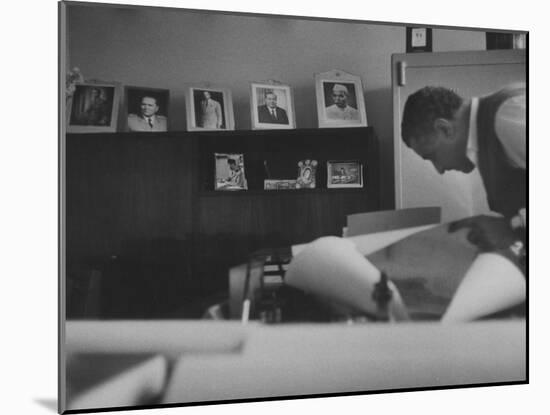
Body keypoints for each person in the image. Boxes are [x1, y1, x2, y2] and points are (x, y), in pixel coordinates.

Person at [401, 84, 526, 272]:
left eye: (432, 156)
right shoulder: (488, 138)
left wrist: (508, 229)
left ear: (444, 129)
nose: (440, 169)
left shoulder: (506, 117)